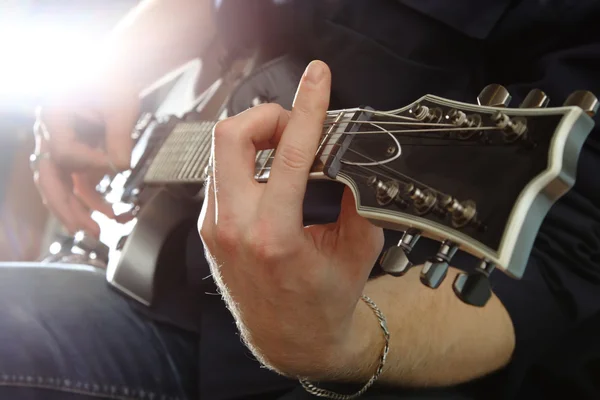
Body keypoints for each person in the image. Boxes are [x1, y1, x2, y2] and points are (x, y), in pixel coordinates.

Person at [13, 0, 600, 399]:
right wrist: (108, 65)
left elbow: (562, 265)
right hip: (159, 274)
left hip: (324, 371)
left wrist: (343, 343)